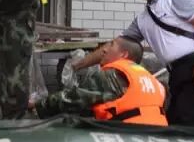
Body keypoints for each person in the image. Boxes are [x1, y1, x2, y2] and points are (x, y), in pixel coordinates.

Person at [74, 0, 194, 127]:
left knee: (189, 127)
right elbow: (115, 45)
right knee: (174, 124)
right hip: (177, 72)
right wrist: (78, 65)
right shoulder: (143, 20)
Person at [31, 37, 167, 124]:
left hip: (127, 136)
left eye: (111, 45)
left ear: (123, 55)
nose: (104, 50)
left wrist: (37, 106)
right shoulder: (152, 81)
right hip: (156, 137)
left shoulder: (112, 75)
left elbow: (72, 98)